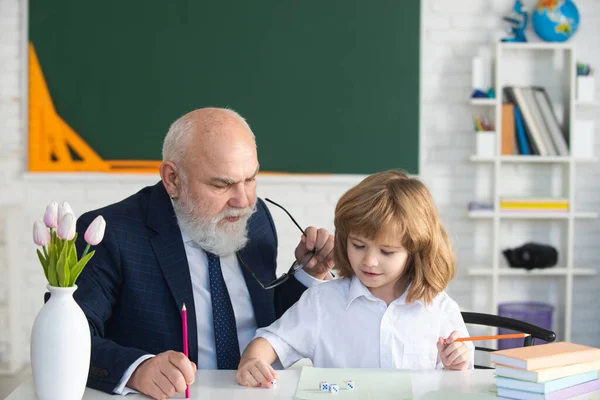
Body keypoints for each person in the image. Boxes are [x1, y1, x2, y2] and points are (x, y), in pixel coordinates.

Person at [72, 108, 334, 399]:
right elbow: (69, 336)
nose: (244, 200)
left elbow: (269, 318)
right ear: (172, 179)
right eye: (222, 185)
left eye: (251, 179)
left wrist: (308, 274)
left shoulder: (257, 219)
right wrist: (137, 370)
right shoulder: (111, 233)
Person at [236, 169, 474, 388]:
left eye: (387, 252)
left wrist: (456, 364)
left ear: (415, 251)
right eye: (358, 245)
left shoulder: (439, 309)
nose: (369, 261)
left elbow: (462, 377)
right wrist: (253, 361)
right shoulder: (322, 302)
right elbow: (271, 341)